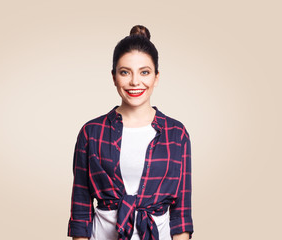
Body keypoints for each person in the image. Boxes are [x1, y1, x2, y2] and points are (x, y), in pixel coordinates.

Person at [67, 25, 194, 240]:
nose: (135, 82)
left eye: (144, 72)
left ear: (156, 76)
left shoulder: (177, 134)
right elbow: (81, 207)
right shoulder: (91, 132)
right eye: (125, 72)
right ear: (114, 77)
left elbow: (181, 213)